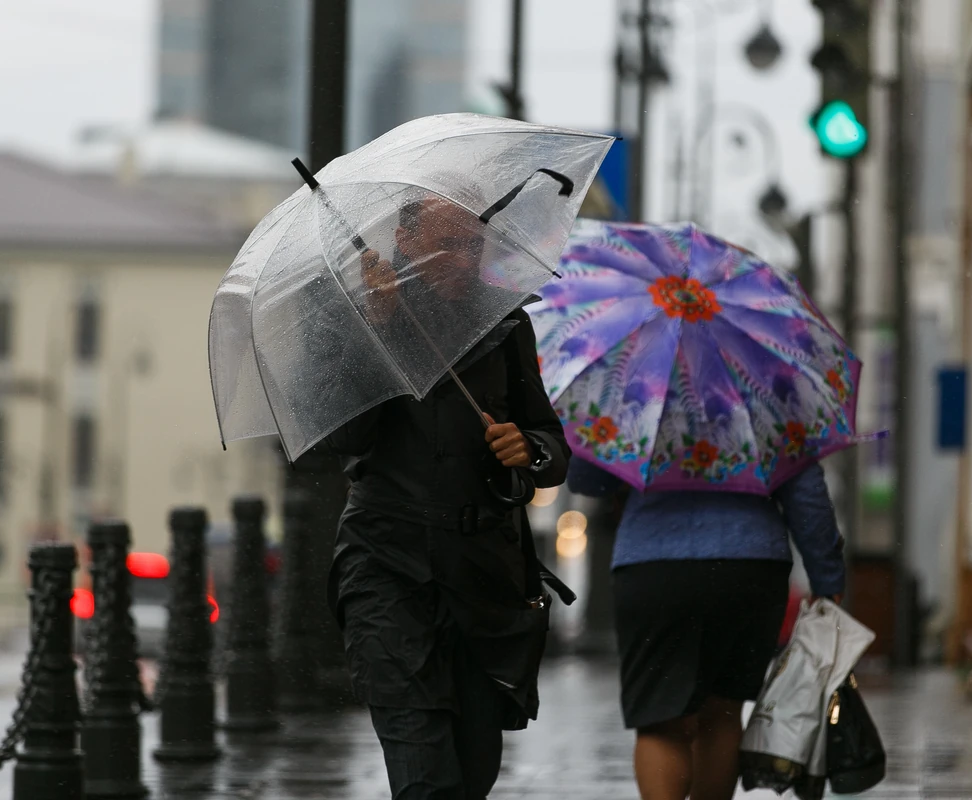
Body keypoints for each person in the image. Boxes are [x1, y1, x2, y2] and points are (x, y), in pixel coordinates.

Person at [322, 188, 572, 800]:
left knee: (473, 765)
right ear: (404, 242)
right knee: (423, 768)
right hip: (387, 563)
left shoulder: (507, 324)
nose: (462, 260)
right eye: (444, 245)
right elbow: (343, 439)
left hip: (483, 573)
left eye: (472, 245)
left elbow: (551, 447)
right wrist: (378, 331)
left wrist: (528, 448)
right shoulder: (359, 320)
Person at [568, 458, 845, 800]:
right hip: (750, 562)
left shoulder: (633, 404)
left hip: (654, 561)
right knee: (722, 713)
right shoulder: (777, 403)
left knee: (662, 719)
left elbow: (586, 478)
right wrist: (827, 574)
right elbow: (805, 491)